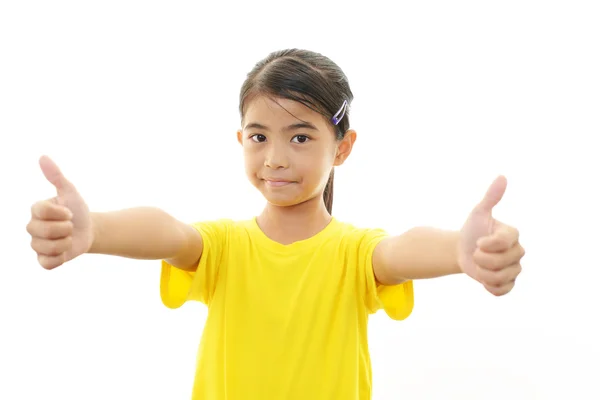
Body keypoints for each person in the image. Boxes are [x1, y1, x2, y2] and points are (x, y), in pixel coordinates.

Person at [26, 48, 525, 400]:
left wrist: (462, 252)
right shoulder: (224, 246)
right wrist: (96, 231)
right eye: (259, 137)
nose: (275, 159)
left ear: (343, 148)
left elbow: (400, 251)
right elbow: (170, 233)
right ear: (240, 138)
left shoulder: (353, 252)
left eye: (301, 138)